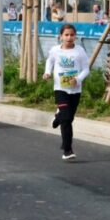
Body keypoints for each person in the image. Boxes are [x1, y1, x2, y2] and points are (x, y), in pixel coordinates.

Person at [43, 24, 90, 162]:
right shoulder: (55, 50)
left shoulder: (80, 51)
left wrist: (78, 79)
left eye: (72, 35)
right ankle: (67, 150)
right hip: (60, 89)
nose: (69, 38)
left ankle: (58, 116)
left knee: (69, 117)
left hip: (75, 90)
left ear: (75, 36)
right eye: (66, 35)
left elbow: (86, 69)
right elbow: (49, 62)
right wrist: (47, 72)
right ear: (61, 36)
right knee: (67, 119)